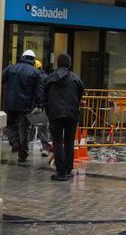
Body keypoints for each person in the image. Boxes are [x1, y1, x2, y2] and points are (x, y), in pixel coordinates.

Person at [44, 53, 84, 181]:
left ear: (58, 63)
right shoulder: (75, 79)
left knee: (57, 142)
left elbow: (44, 95)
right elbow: (80, 94)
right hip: (71, 113)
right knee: (69, 141)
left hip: (55, 113)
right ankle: (67, 169)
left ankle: (60, 172)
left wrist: (48, 108)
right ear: (69, 64)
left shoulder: (50, 78)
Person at [2, 49, 44, 163]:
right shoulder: (36, 73)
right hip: (25, 106)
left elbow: (0, 79)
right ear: (33, 60)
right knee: (23, 130)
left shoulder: (11, 68)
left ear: (22, 57)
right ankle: (23, 155)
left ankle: (14, 142)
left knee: (10, 124)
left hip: (10, 104)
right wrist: (40, 105)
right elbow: (39, 92)